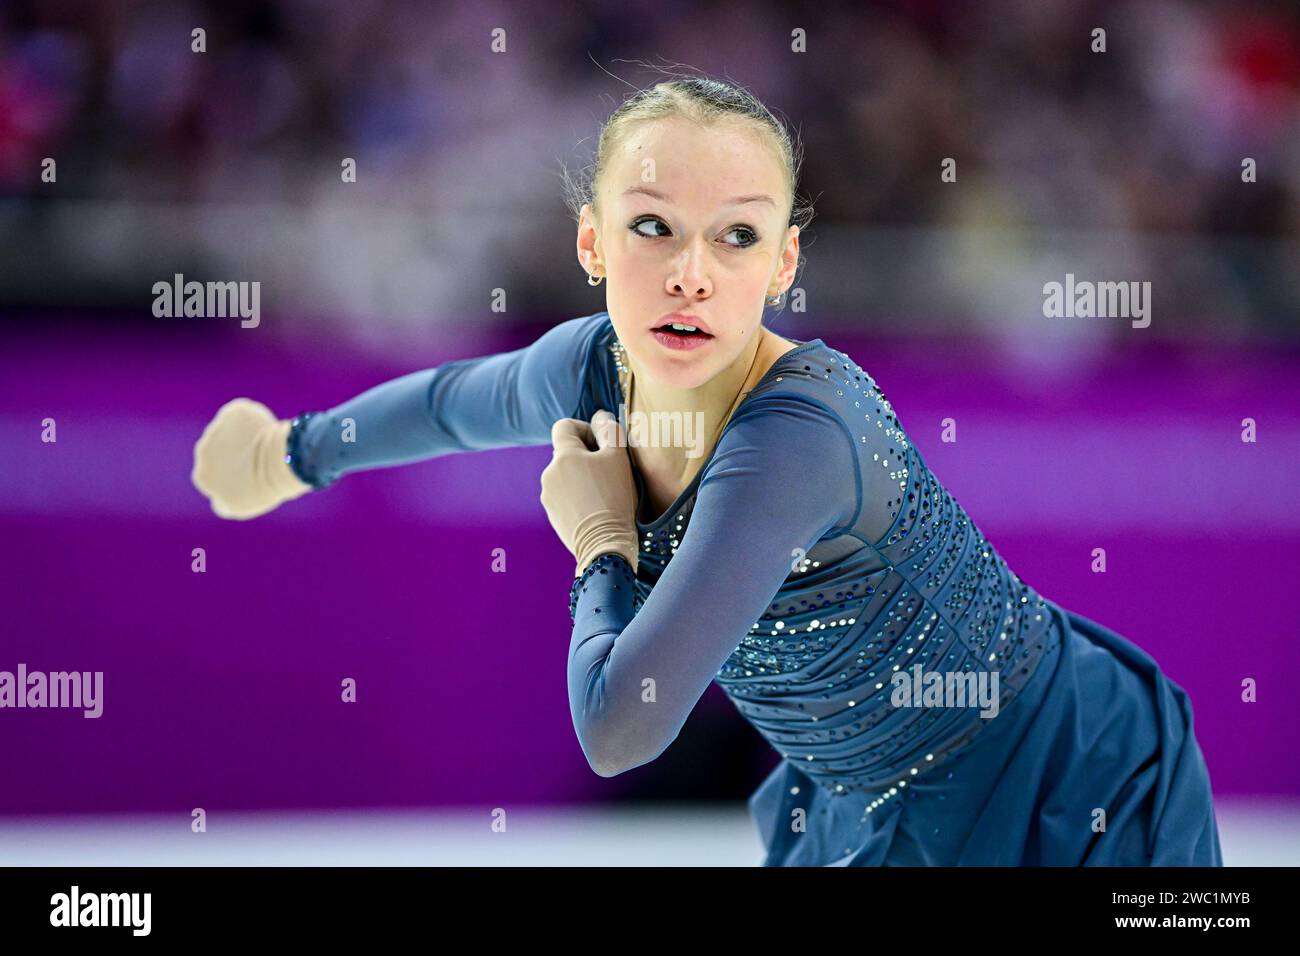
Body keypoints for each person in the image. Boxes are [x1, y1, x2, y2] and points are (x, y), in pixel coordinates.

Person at [191, 76, 1223, 866]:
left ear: (782, 262)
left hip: (1065, 782)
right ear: (593, 241)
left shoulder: (795, 438)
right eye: (653, 226)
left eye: (736, 236)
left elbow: (620, 723)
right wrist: (291, 452)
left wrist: (600, 539)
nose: (692, 269)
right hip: (867, 798)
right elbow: (451, 404)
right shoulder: (593, 363)